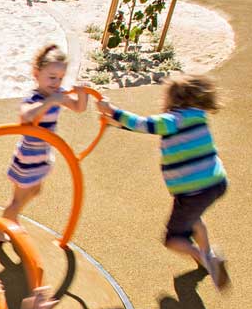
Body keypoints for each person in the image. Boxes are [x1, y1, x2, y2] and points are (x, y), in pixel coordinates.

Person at [96, 74, 231, 290]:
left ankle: (206, 259)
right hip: (216, 183)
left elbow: (145, 124)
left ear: (174, 101)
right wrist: (116, 124)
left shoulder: (173, 119)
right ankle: (207, 255)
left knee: (173, 239)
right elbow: (152, 129)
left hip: (192, 191)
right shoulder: (197, 117)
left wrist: (112, 111)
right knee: (194, 218)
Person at [1, 43, 88, 240]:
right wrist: (50, 102)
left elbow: (78, 108)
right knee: (17, 200)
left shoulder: (58, 95)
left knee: (36, 190)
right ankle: (2, 227)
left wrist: (82, 93)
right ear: (36, 74)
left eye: (60, 78)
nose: (56, 83)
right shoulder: (34, 98)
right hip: (27, 157)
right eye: (51, 77)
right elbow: (25, 117)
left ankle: (11, 219)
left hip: (41, 156)